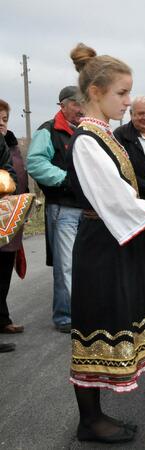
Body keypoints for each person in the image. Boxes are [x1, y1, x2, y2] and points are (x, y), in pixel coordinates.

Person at [65, 43, 145, 443]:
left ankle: (95, 416)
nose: (127, 102)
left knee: (109, 324)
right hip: (101, 246)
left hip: (115, 243)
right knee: (95, 328)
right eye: (122, 94)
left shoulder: (104, 135)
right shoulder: (88, 140)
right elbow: (116, 202)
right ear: (96, 93)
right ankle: (89, 420)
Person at [27, 86, 83, 333]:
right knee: (67, 265)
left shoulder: (83, 131)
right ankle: (65, 316)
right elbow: (36, 163)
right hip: (63, 208)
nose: (81, 108)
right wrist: (66, 180)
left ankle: (82, 311)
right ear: (63, 105)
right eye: (76, 104)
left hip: (85, 208)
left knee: (83, 263)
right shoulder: (48, 130)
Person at [0, 100, 26, 335]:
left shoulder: (11, 143)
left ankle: (2, 319)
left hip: (10, 215)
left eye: (5, 119)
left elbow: (15, 174)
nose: (1, 123)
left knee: (5, 269)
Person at [113, 96, 145, 199]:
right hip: (136, 199)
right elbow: (118, 169)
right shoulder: (120, 135)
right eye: (141, 113)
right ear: (131, 114)